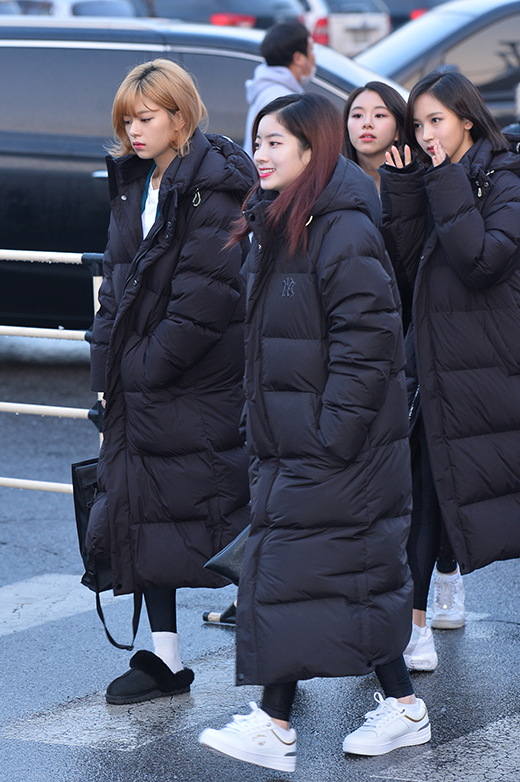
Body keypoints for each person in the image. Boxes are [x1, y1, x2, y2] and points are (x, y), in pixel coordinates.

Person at [198, 92, 431, 773]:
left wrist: (331, 435)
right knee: (339, 579)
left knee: (287, 574)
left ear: (313, 148)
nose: (261, 154)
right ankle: (403, 706)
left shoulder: (343, 230)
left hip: (335, 448)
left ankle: (274, 723)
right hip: (291, 442)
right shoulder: (281, 221)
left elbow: (371, 343)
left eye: (275, 142)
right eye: (258, 141)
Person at [86, 58, 256, 704]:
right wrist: (106, 374)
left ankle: (280, 659)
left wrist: (140, 369)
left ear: (179, 117)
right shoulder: (136, 182)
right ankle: (165, 658)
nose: (133, 130)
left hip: (198, 381)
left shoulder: (214, 186)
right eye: (126, 120)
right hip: (143, 382)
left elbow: (205, 300)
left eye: (146, 118)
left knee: (227, 511)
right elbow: (114, 286)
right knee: (144, 510)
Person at [380, 70, 520, 672]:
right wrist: (402, 189)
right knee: (420, 498)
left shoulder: (506, 178)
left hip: (487, 371)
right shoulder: (437, 174)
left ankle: (435, 606)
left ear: (467, 118)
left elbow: (480, 261)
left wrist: (440, 181)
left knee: (486, 496)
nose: (426, 134)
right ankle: (415, 631)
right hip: (433, 365)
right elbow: (408, 270)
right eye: (418, 124)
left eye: (436, 120)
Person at [344, 81, 466, 651]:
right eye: (356, 113)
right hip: (365, 346)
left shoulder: (423, 176)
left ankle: (443, 575)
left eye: (380, 114)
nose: (367, 123)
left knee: (425, 475)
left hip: (418, 343)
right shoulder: (335, 182)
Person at [243, 21, 316, 158]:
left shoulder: (270, 90)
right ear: (299, 58)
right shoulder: (281, 99)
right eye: (311, 49)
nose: (313, 56)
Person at [343, 80, 406, 193]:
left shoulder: (419, 183)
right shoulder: (329, 182)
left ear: (398, 130)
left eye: (379, 115)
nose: (367, 123)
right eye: (357, 116)